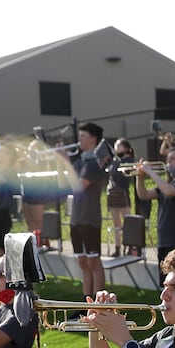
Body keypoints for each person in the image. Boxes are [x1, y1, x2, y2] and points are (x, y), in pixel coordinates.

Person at [70, 122, 111, 300]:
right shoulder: (79, 161)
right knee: (82, 262)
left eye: (83, 136)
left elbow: (79, 185)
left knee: (94, 262)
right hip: (76, 218)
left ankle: (99, 303)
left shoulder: (94, 162)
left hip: (90, 219)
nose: (79, 140)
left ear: (93, 139)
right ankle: (86, 303)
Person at [136, 145, 175, 262]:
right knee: (164, 279)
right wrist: (140, 177)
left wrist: (150, 172)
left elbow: (169, 192)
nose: (169, 162)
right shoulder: (167, 184)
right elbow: (144, 195)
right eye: (168, 159)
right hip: (163, 240)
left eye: (173, 159)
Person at [106, 139, 135, 257]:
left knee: (127, 221)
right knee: (116, 223)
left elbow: (122, 176)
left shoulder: (128, 160)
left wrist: (115, 162)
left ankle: (131, 246)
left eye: (119, 146)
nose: (116, 148)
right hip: (112, 194)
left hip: (122, 193)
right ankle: (117, 247)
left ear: (126, 148)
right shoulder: (115, 161)